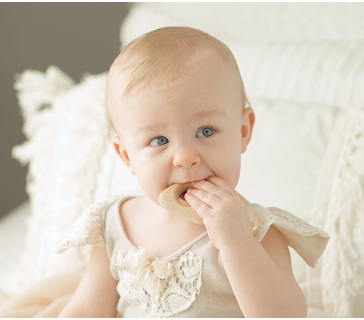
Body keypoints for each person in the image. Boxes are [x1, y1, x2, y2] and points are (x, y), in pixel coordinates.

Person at [57, 26, 329, 317]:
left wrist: (237, 243)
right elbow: (87, 308)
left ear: (242, 131)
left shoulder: (255, 230)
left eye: (205, 131)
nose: (185, 158)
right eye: (159, 140)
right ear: (127, 156)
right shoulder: (114, 223)